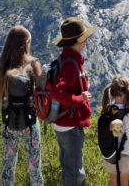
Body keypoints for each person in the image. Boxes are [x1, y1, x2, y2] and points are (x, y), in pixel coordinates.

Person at [0, 25, 44, 186]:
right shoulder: (34, 64)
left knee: (7, 166)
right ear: (26, 42)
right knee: (34, 167)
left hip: (9, 122)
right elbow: (41, 93)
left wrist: (9, 99)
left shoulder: (3, 65)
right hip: (31, 123)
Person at [50, 16, 95, 186]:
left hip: (62, 122)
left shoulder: (66, 60)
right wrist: (80, 99)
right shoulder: (70, 64)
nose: (85, 42)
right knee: (76, 170)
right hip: (70, 124)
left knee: (69, 166)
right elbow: (58, 92)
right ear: (78, 42)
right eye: (84, 39)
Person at [101, 75, 129, 186]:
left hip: (110, 153)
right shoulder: (128, 115)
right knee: (124, 182)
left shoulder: (108, 110)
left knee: (112, 180)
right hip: (124, 154)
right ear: (127, 94)